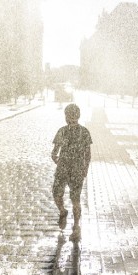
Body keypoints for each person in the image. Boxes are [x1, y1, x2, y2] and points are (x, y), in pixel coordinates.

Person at [51, 103, 92, 241]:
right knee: (57, 193)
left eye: (73, 116)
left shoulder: (84, 132)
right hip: (64, 170)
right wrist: (59, 161)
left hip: (76, 171)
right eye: (69, 116)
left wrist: (84, 168)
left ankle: (76, 227)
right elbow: (54, 153)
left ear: (78, 116)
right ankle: (63, 212)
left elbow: (88, 153)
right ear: (66, 116)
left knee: (75, 199)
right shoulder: (62, 131)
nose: (71, 118)